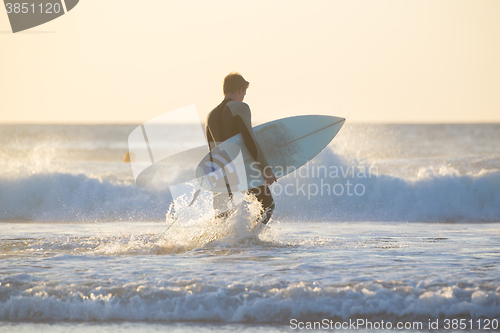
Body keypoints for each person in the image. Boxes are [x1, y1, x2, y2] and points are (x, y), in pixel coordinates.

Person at [205, 72, 276, 224]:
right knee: (268, 205)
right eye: (244, 92)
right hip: (244, 169)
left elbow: (211, 152)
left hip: (221, 173)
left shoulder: (210, 115)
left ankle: (221, 244)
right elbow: (250, 141)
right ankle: (249, 239)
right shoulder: (241, 108)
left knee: (221, 219)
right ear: (240, 90)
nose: (244, 96)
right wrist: (266, 169)